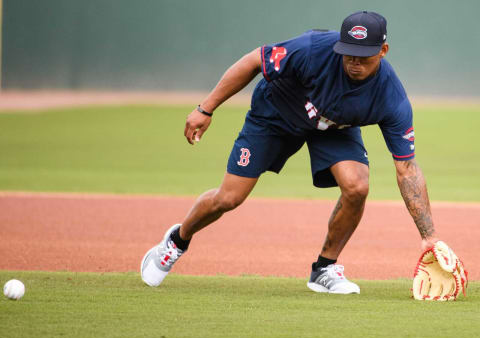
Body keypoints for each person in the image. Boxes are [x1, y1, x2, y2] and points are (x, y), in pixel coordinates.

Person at [141, 11, 440, 294]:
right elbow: (252, 61)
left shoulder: (391, 97)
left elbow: (407, 169)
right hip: (275, 115)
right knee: (229, 197)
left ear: (383, 50)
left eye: (364, 55)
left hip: (332, 127)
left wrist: (428, 236)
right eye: (348, 51)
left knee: (357, 186)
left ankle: (325, 268)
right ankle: (177, 241)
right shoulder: (312, 50)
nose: (353, 61)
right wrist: (205, 109)